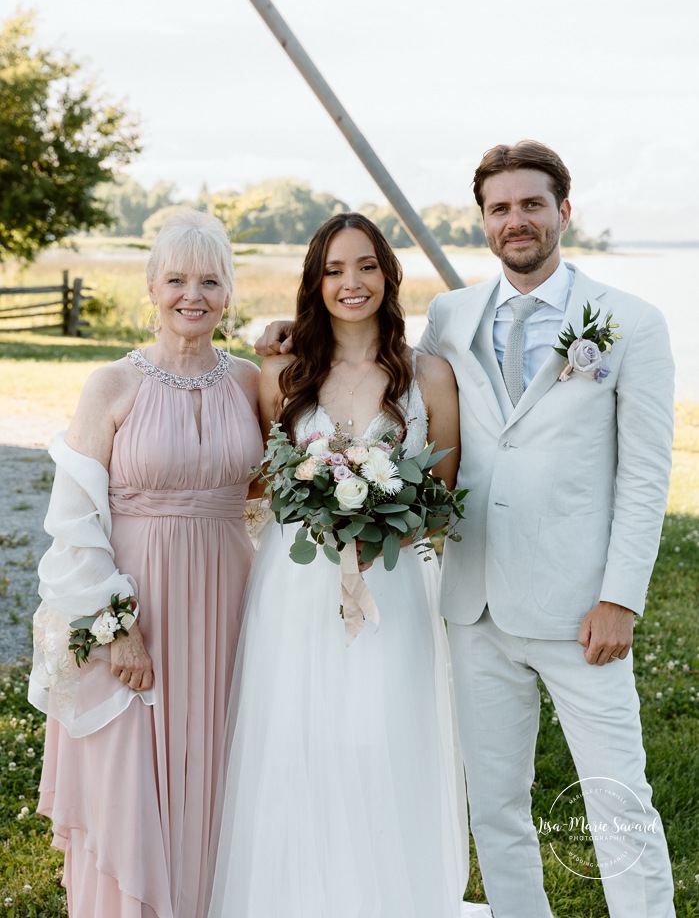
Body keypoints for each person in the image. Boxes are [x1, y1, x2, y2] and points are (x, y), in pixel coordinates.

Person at [254, 143, 676, 918]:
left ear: (562, 212)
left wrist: (620, 597)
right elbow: (371, 353)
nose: (515, 221)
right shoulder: (453, 315)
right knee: (495, 809)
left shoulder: (628, 323)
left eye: (530, 205)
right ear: (482, 221)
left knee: (618, 802)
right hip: (471, 604)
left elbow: (647, 476)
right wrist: (288, 329)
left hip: (580, 606)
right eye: (499, 208)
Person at [207, 213, 488, 918]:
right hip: (296, 583)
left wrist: (377, 515)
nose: (350, 282)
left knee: (383, 735)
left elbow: (441, 495)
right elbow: (268, 482)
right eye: (332, 270)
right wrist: (326, 508)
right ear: (314, 282)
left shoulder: (430, 376)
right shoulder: (283, 373)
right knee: (296, 734)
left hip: (395, 581)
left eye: (364, 265)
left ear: (388, 275)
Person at [28, 211, 264, 918]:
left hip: (230, 600)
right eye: (175, 279)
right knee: (132, 774)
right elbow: (74, 519)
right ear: (150, 289)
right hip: (135, 606)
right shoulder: (110, 385)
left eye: (209, 280)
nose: (192, 294)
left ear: (228, 295)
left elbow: (275, 478)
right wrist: (114, 625)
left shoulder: (253, 382)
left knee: (222, 764)